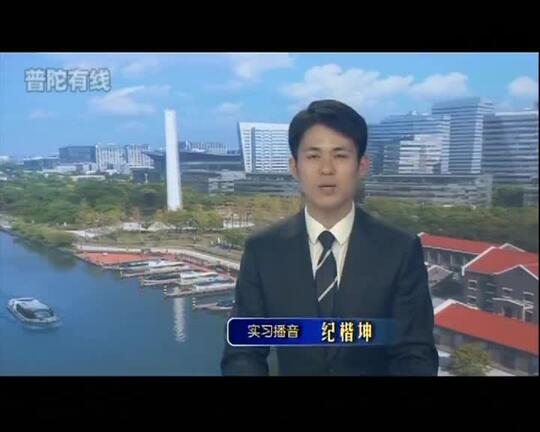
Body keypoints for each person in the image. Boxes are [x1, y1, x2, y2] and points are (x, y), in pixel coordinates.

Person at [221, 99, 438, 376]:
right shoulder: (262, 250)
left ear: (361, 165)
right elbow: (242, 352)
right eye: (313, 156)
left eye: (340, 155)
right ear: (294, 167)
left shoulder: (399, 249)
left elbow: (414, 353)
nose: (326, 169)